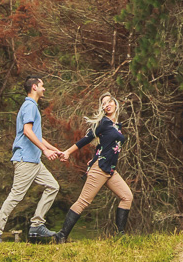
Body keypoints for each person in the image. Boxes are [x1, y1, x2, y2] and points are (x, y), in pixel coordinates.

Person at [0, 75, 64, 244]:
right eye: (42, 85)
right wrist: (45, 151)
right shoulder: (29, 106)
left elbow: (37, 136)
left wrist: (54, 150)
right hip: (26, 159)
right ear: (34, 87)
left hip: (34, 160)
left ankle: (36, 225)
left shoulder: (32, 106)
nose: (44, 88)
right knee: (16, 196)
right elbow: (27, 131)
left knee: (53, 186)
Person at [53, 92, 133, 243]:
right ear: (102, 108)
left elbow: (106, 145)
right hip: (99, 169)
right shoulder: (103, 123)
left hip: (110, 170)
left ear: (115, 104)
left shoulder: (116, 126)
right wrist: (68, 152)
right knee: (83, 201)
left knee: (127, 197)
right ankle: (61, 235)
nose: (107, 104)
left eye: (109, 101)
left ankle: (120, 235)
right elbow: (86, 139)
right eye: (103, 103)